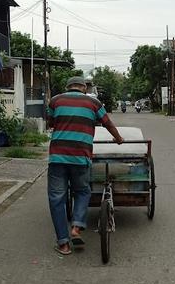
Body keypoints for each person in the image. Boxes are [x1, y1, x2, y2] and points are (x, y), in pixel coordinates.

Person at [47, 75, 124, 256]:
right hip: (81, 157)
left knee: (57, 199)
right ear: (84, 88)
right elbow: (108, 123)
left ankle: (63, 244)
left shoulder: (55, 101)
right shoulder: (94, 103)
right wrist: (119, 139)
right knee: (82, 191)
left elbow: (51, 123)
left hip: (58, 157)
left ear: (68, 87)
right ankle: (76, 227)